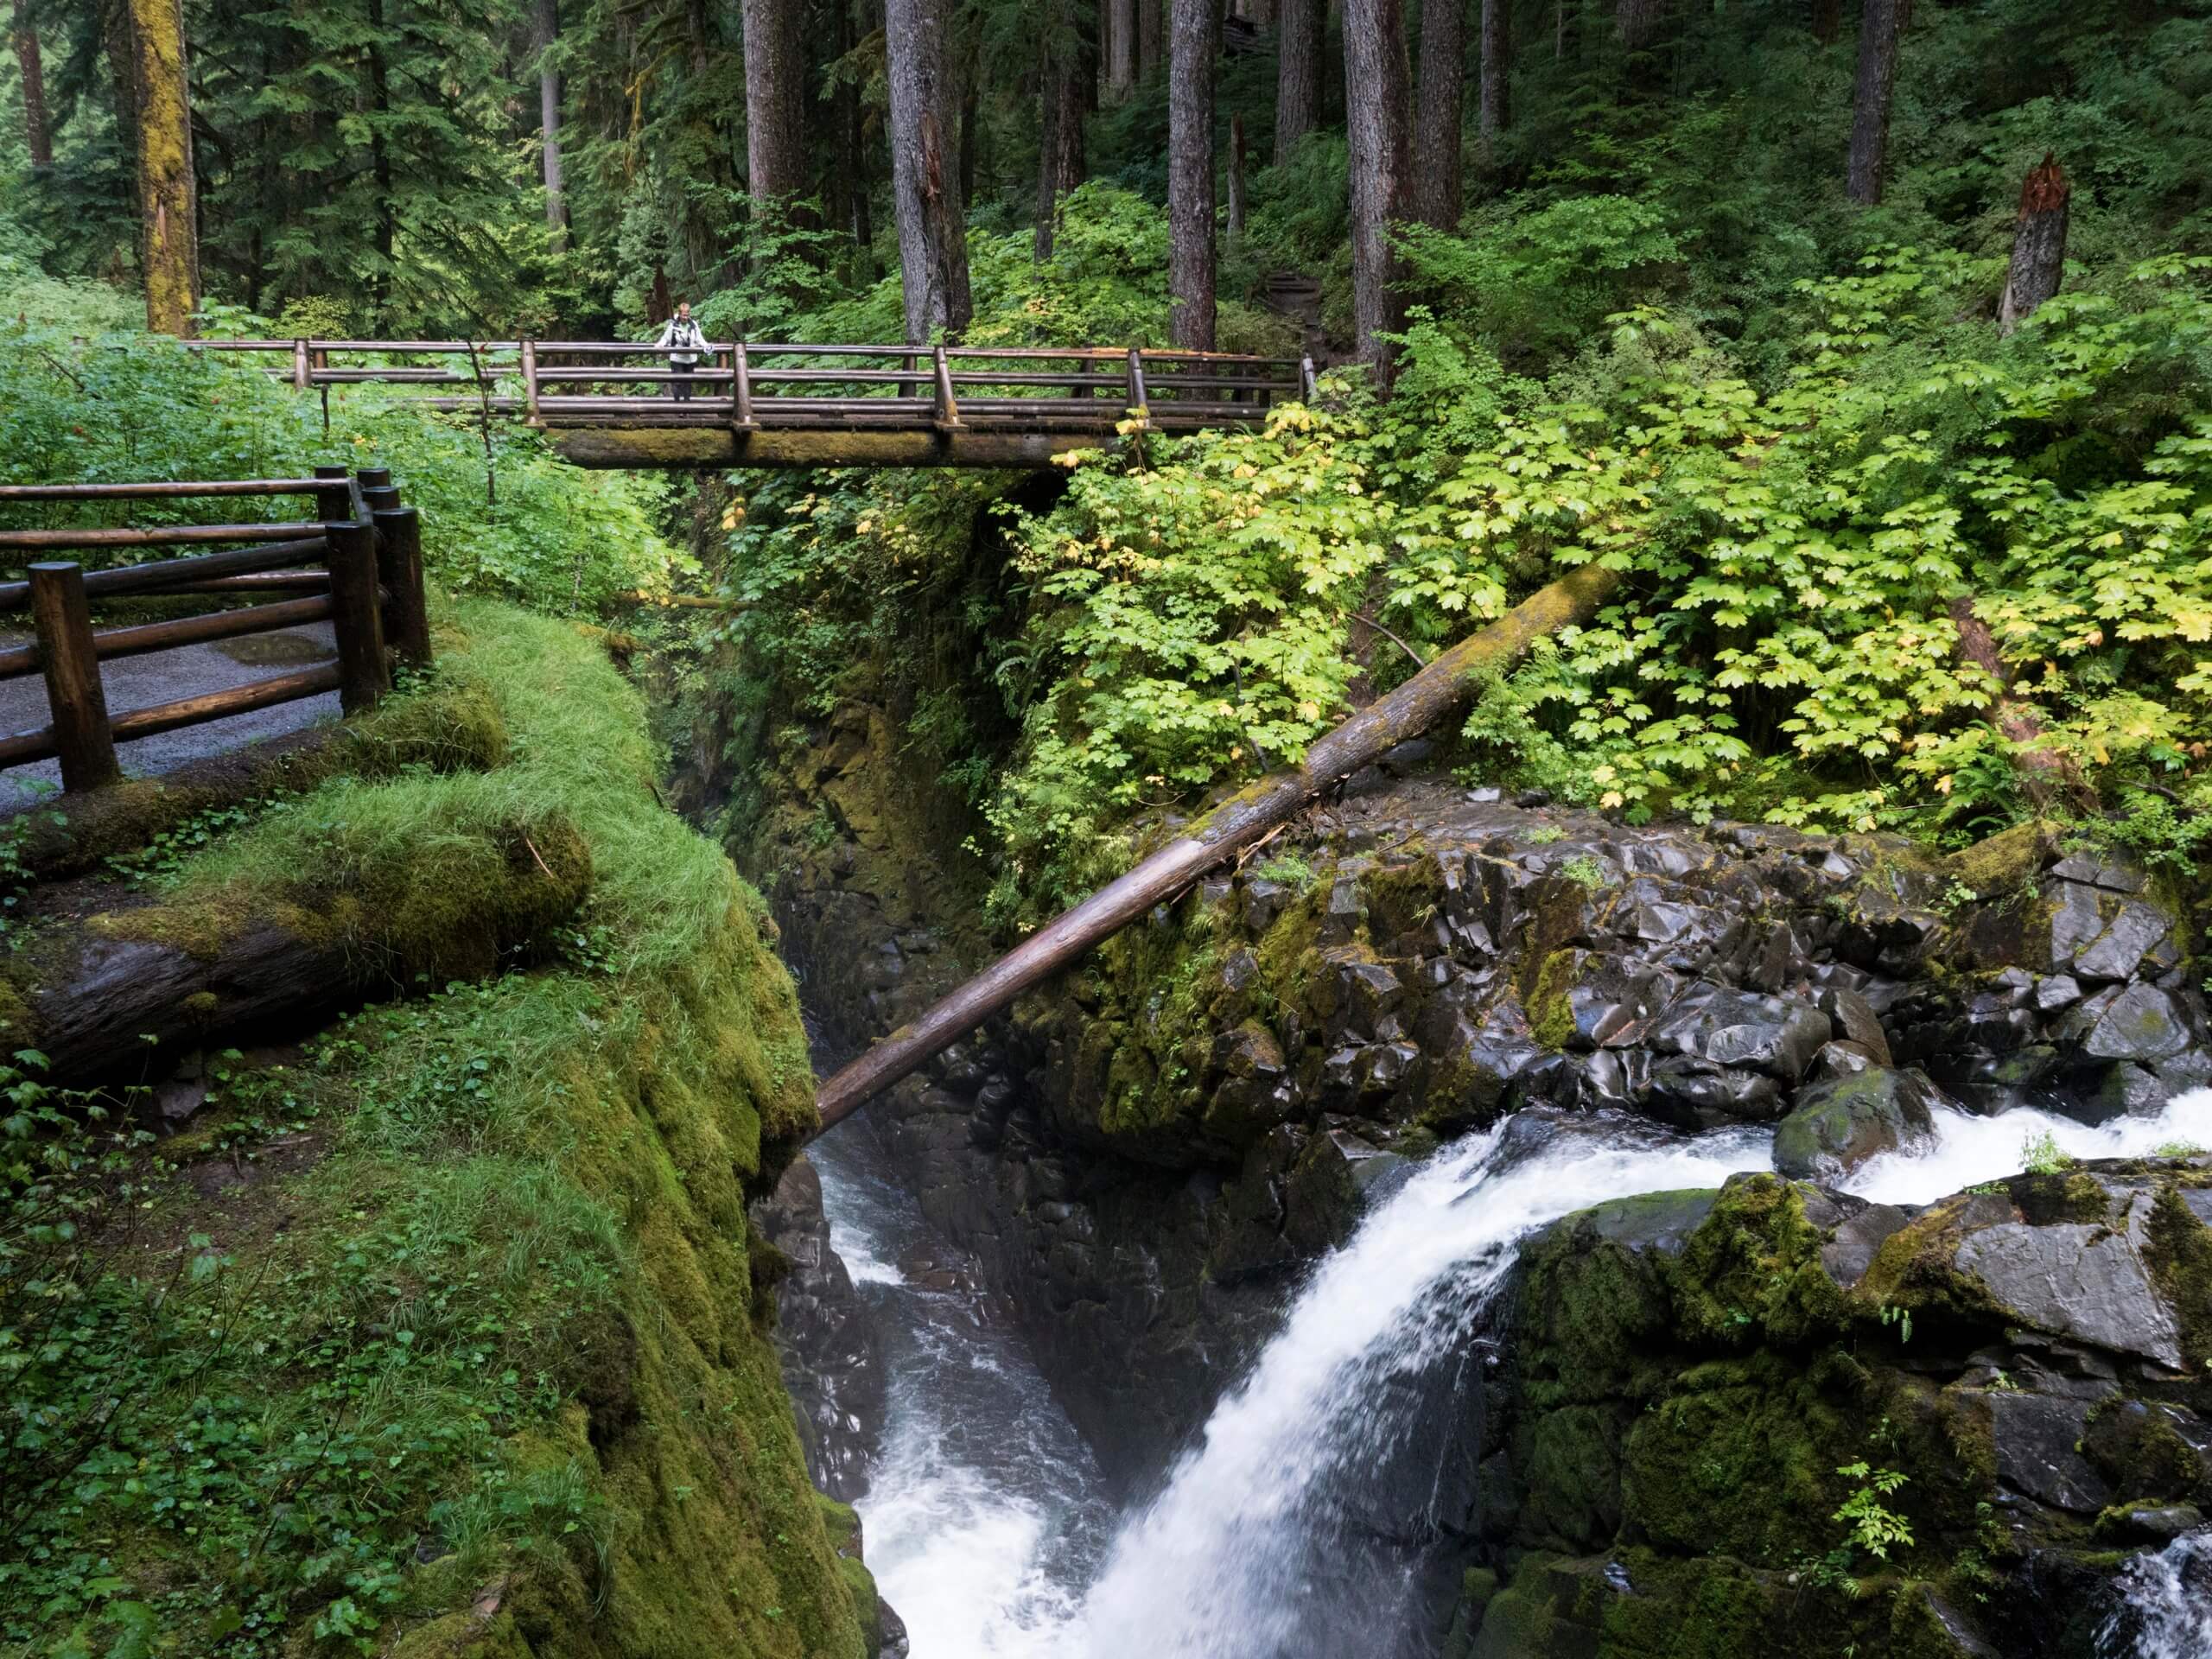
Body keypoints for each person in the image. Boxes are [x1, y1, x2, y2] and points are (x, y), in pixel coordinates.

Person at [654, 302, 707, 400]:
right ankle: (678, 405)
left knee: (687, 383)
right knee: (678, 382)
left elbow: (700, 339)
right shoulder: (673, 325)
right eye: (683, 315)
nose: (685, 317)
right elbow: (666, 338)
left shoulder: (693, 324)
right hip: (677, 359)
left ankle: (686, 408)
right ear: (679, 314)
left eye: (687, 315)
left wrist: (707, 346)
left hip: (690, 359)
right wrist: (660, 345)